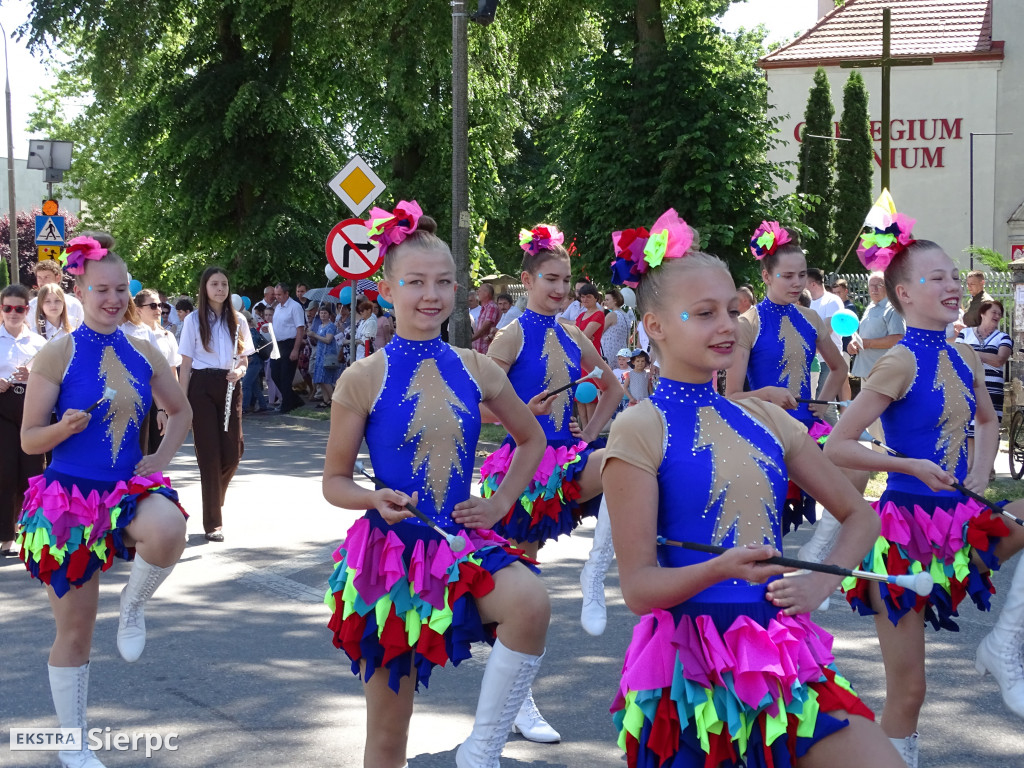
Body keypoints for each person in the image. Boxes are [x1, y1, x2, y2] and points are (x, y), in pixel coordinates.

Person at [602, 221, 902, 768]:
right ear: (655, 326)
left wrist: (816, 583)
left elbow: (859, 516)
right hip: (686, 666)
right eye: (703, 313)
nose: (726, 326)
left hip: (778, 651)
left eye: (729, 310)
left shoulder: (765, 418)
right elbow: (640, 588)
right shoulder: (640, 427)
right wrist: (721, 568)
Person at [323, 201, 550, 768]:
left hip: (461, 540)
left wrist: (499, 504)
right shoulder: (363, 376)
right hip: (391, 559)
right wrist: (371, 498)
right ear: (387, 287)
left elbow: (532, 440)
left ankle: (482, 749)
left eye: (444, 282)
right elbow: (334, 481)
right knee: (387, 740)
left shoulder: (475, 366)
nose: (432, 295)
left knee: (530, 602)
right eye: (416, 282)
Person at [824, 212, 1024, 762]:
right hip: (904, 538)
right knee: (910, 691)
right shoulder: (900, 359)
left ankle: (1004, 642)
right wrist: (909, 466)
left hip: (960, 524)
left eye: (955, 275)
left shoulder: (962, 352)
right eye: (936, 278)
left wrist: (981, 473)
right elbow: (838, 445)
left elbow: (986, 420)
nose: (954, 284)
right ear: (904, 294)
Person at [16, 233, 190, 768]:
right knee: (76, 629)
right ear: (80, 291)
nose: (112, 299)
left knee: (169, 529)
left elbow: (179, 412)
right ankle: (74, 742)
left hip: (125, 488)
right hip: (67, 498)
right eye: (101, 290)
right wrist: (61, 428)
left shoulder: (143, 351)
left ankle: (134, 604)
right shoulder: (58, 351)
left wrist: (159, 460)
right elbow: (29, 439)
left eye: (121, 290)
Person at [481, 222, 620, 729]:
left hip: (567, 459)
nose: (560, 289)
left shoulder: (574, 331)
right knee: (526, 591)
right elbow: (479, 404)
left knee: (620, 464)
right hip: (522, 467)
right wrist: (520, 411)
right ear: (528, 280)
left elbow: (613, 390)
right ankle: (519, 702)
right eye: (550, 280)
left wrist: (586, 439)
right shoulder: (511, 333)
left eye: (565, 280)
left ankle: (595, 572)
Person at [725, 222, 858, 537]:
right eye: (787, 276)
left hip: (806, 430)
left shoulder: (811, 318)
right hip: (765, 432)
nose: (797, 283)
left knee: (853, 482)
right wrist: (769, 393)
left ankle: (819, 555)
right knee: (767, 526)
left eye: (802, 275)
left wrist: (821, 405)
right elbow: (730, 396)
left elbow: (838, 367)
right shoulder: (748, 322)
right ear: (767, 276)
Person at [178, 267, 254, 542]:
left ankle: (213, 498)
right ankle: (213, 523)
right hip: (201, 386)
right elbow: (185, 366)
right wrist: (181, 405)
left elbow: (244, 359)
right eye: (214, 284)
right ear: (205, 287)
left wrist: (240, 372)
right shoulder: (193, 321)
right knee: (209, 457)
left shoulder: (238, 320)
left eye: (224, 283)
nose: (220, 288)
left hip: (230, 385)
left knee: (233, 454)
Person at [0, 284, 47, 556]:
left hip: (32, 408)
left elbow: (54, 381)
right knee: (5, 472)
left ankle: (32, 533)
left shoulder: (40, 344)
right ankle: (6, 535)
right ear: (2, 310)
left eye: (19, 308)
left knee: (33, 474)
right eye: (8, 308)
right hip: (3, 410)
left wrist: (32, 378)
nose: (13, 313)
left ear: (27, 311)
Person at [955, 299, 1012, 463]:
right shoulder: (966, 334)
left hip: (992, 390)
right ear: (982, 313)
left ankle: (988, 467)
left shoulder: (1003, 337)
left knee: (990, 428)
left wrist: (972, 353)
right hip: (968, 386)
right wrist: (982, 355)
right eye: (994, 312)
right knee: (970, 429)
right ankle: (972, 467)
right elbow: (958, 355)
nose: (997, 316)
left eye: (1000, 314)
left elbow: (999, 360)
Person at [807, 267, 845, 402]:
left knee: (825, 404)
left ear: (812, 284)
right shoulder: (808, 302)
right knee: (812, 403)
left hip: (829, 360)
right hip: (813, 360)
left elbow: (828, 329)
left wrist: (809, 351)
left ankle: (837, 425)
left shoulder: (832, 301)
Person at [270, 283, 306, 413]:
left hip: (289, 344)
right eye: (275, 294)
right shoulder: (278, 307)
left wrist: (295, 349)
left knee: (286, 376)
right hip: (277, 345)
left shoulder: (295, 307)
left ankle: (287, 405)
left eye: (279, 294)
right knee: (274, 373)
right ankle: (294, 400)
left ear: (286, 294)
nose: (277, 297)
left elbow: (300, 328)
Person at [29, 259, 84, 329]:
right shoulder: (32, 306)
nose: (42, 282)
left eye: (46, 277)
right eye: (39, 278)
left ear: (58, 278)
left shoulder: (74, 304)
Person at [309, 305, 340, 406]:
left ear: (329, 315)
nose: (323, 315)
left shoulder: (331, 326)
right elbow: (317, 339)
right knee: (320, 379)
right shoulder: (319, 326)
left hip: (327, 354)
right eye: (321, 313)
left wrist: (315, 335)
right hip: (319, 354)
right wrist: (311, 336)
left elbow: (328, 340)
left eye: (325, 313)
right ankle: (326, 400)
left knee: (326, 378)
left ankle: (334, 400)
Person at [242, 310, 272, 414]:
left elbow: (252, 347)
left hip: (252, 361)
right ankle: (263, 405)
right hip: (255, 361)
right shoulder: (253, 330)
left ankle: (243, 407)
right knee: (254, 386)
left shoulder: (250, 332)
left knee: (245, 385)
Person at [601, 289, 630, 367]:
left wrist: (601, 310)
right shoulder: (625, 315)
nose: (605, 302)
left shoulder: (612, 315)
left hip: (609, 352)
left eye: (607, 299)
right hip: (621, 352)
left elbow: (599, 330)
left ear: (615, 301)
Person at [471, 283, 500, 354]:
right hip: (480, 347)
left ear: (486, 293)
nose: (477, 293)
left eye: (479, 291)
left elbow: (485, 327)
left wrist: (471, 338)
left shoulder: (491, 307)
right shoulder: (484, 307)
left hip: (486, 347)